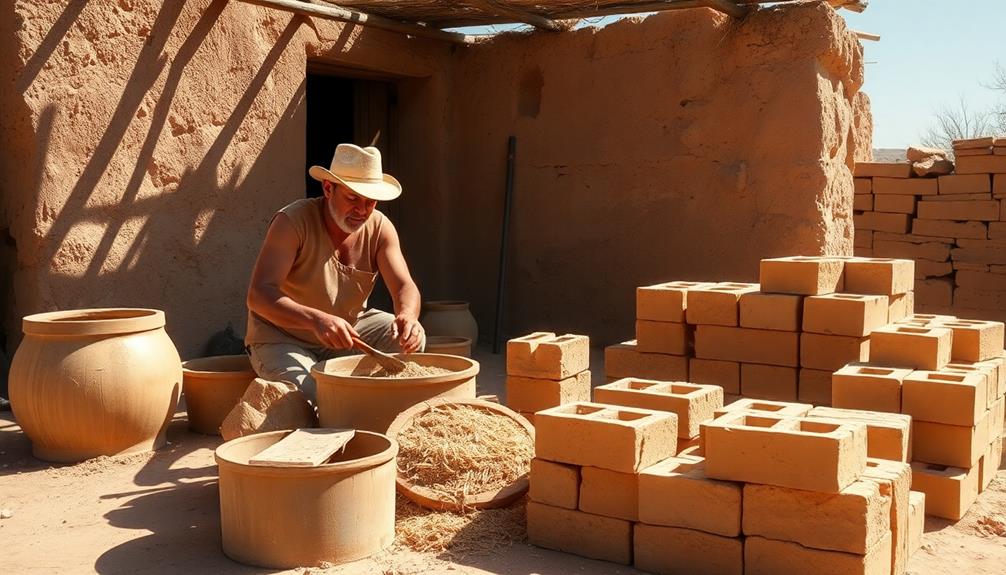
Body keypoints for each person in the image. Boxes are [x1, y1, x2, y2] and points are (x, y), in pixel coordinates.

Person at [245, 143, 425, 401]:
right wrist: (317, 320)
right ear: (328, 189)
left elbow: (404, 286)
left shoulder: (380, 228)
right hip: (283, 338)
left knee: (411, 340)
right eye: (352, 198)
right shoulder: (292, 222)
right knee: (317, 398)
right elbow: (258, 295)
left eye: (370, 202)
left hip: (347, 333)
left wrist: (408, 316)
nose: (362, 210)